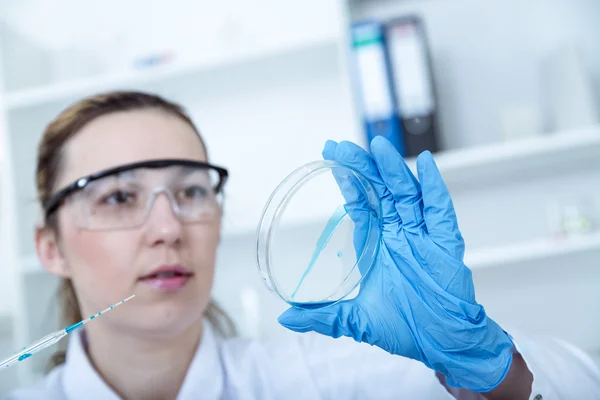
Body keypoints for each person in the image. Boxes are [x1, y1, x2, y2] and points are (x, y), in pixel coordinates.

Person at [4, 90, 600, 400]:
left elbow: (581, 383)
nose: (168, 228)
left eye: (190, 191)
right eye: (117, 198)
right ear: (49, 247)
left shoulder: (326, 381)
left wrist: (488, 370)